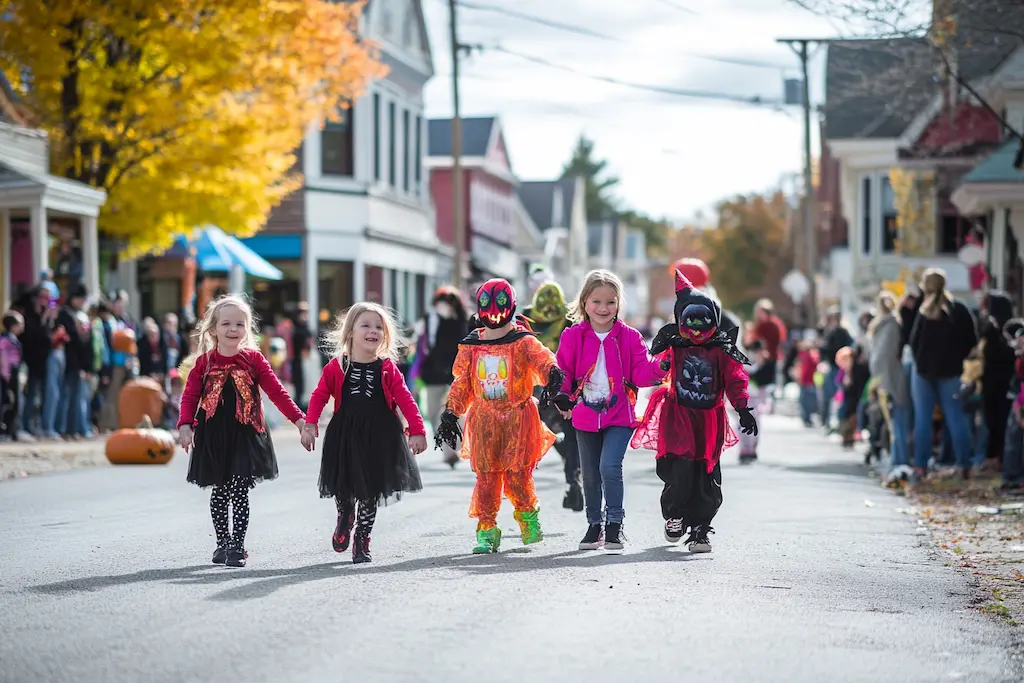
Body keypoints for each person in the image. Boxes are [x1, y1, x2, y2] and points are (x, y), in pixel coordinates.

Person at [434, 278, 564, 554]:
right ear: (479, 309)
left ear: (512, 306)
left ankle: (528, 517)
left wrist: (552, 374)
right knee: (486, 479)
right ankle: (487, 530)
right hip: (483, 421)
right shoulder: (471, 346)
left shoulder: (522, 341)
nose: (494, 310)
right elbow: (462, 384)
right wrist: (451, 412)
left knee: (518, 476)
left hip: (518, 419)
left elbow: (543, 359)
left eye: (501, 304)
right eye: (487, 305)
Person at [177, 295, 308, 568]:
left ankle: (237, 545)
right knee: (220, 490)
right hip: (213, 434)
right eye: (226, 323)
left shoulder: (254, 360)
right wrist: (186, 426)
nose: (233, 329)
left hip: (246, 433)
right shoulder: (204, 363)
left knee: (239, 490)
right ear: (213, 329)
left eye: (239, 324)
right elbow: (190, 397)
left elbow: (277, 392)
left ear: (247, 329)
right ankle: (222, 542)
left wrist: (299, 420)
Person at [633, 271, 756, 553]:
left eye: (705, 322)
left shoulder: (722, 350)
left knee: (706, 474)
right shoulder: (674, 346)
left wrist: (742, 408)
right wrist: (646, 375)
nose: (698, 329)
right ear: (681, 321)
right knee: (679, 469)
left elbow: (736, 380)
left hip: (709, 421)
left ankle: (700, 529)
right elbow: (653, 369)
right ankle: (675, 514)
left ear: (714, 321)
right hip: (678, 418)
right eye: (691, 321)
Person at [301, 303, 426, 564]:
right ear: (350, 333)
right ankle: (345, 517)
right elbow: (320, 394)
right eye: (366, 326)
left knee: (371, 492)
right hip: (344, 436)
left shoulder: (388, 368)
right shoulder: (337, 366)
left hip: (380, 437)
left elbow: (406, 399)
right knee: (344, 489)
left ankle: (362, 539)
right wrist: (310, 423)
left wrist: (417, 430)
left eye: (379, 327)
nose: (373, 331)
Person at [554, 270, 667, 551]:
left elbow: (642, 371)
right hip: (584, 413)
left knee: (609, 467)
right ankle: (595, 526)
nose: (603, 309)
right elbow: (563, 371)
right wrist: (562, 396)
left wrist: (661, 367)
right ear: (584, 303)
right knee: (590, 473)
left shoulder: (629, 337)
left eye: (610, 302)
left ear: (619, 304)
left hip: (619, 414)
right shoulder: (572, 336)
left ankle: (615, 524)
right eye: (596, 302)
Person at [907, 269, 977, 482]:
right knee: (956, 417)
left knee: (923, 420)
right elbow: (971, 340)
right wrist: (958, 358)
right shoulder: (959, 310)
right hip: (951, 372)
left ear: (925, 286)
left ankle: (921, 466)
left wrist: (921, 362)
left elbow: (913, 341)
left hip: (923, 372)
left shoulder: (923, 312)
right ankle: (964, 464)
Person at [523, 280, 584, 512]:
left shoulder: (566, 320)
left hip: (561, 386)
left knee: (562, 433)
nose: (548, 308)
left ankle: (572, 478)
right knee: (565, 435)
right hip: (540, 388)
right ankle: (572, 476)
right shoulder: (526, 320)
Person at [410, 287, 469, 468]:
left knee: (456, 411)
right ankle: (447, 448)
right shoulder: (430, 320)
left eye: (448, 303)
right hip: (433, 374)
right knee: (434, 412)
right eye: (441, 302)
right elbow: (423, 346)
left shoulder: (462, 322)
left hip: (455, 375)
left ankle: (454, 446)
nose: (444, 306)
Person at [868, 292, 910, 480]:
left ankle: (898, 460)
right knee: (897, 422)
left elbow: (879, 357)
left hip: (885, 380)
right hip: (891, 380)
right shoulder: (891, 325)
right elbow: (884, 356)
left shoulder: (884, 325)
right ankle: (899, 460)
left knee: (895, 423)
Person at [819, 308, 854, 432]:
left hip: (836, 368)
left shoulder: (834, 332)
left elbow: (825, 348)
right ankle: (835, 423)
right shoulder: (843, 332)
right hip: (840, 367)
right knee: (837, 396)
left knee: (831, 396)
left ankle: (830, 422)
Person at [0, 311, 24, 440]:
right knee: (9, 402)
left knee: (16, 403)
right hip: (8, 376)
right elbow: (4, 358)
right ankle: (5, 431)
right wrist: (6, 375)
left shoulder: (13, 339)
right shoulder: (5, 340)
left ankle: (12, 431)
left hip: (13, 375)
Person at [793, 333, 820, 427]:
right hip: (804, 381)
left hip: (809, 381)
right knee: (804, 401)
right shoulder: (802, 355)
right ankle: (806, 418)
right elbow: (798, 367)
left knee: (807, 401)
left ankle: (807, 418)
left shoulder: (811, 355)